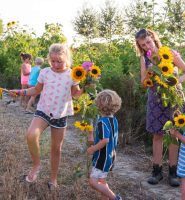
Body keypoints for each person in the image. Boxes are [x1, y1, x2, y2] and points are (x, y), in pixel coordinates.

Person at [9, 43, 82, 189]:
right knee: (31, 135)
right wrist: (20, 92)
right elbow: (36, 89)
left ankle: (53, 180)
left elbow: (76, 95)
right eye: (53, 61)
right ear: (49, 59)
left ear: (66, 59)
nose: (55, 64)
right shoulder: (45, 73)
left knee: (56, 148)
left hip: (60, 114)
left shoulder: (72, 75)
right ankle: (36, 165)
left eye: (59, 61)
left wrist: (87, 87)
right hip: (43, 110)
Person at [135, 28, 185, 186]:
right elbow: (143, 82)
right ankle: (157, 171)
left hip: (173, 96)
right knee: (157, 135)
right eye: (143, 45)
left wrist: (177, 81)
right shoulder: (144, 58)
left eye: (148, 42)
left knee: (173, 134)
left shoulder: (170, 52)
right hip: (155, 98)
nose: (147, 46)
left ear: (153, 38)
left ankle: (173, 173)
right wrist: (150, 70)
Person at [87, 89, 122, 200]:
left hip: (102, 157)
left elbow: (105, 140)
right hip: (111, 156)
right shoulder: (114, 120)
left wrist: (93, 149)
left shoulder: (102, 122)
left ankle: (114, 198)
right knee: (102, 181)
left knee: (93, 182)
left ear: (99, 105)